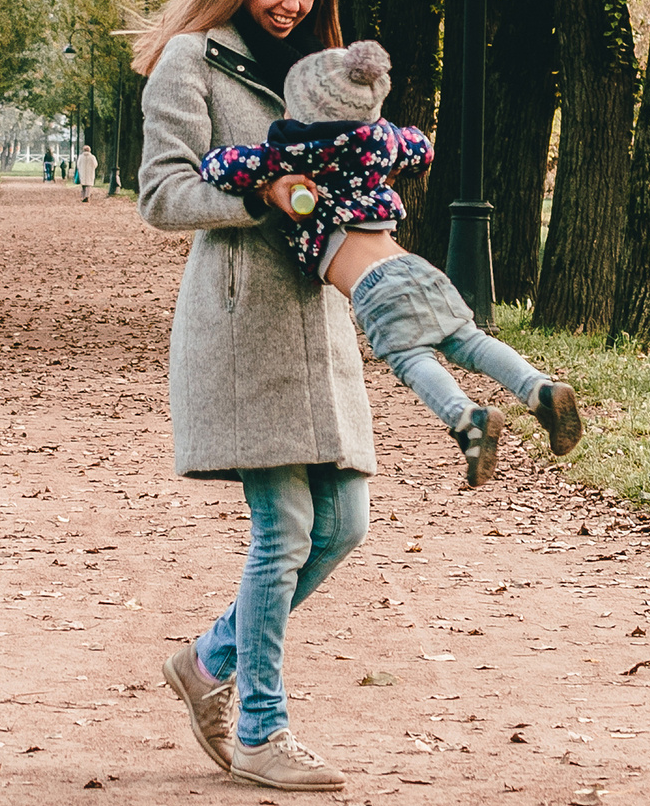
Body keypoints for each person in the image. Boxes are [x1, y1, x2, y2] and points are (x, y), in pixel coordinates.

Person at [134, 0, 367, 793]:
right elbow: (161, 194)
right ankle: (264, 728)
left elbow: (352, 174)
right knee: (285, 530)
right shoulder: (191, 60)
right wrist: (263, 193)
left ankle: (204, 663)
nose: (293, 5)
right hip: (241, 324)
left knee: (345, 524)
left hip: (319, 322)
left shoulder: (327, 70)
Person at [196, 40, 582, 488]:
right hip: (415, 267)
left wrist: (250, 170)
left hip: (372, 285)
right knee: (467, 341)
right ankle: (540, 389)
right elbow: (421, 147)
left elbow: (224, 166)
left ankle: (467, 419)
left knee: (408, 357)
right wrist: (392, 157)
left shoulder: (298, 152)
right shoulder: (383, 143)